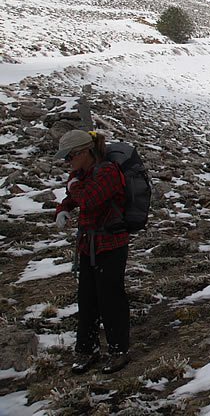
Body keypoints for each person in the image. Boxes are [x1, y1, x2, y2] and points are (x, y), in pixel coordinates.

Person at [54, 129, 130, 374]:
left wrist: (73, 185)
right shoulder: (84, 172)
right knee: (87, 299)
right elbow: (74, 197)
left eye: (71, 156)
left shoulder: (107, 171)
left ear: (85, 152)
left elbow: (88, 200)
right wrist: (63, 208)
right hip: (90, 244)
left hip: (111, 245)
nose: (68, 162)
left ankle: (118, 350)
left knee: (110, 298)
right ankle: (87, 349)